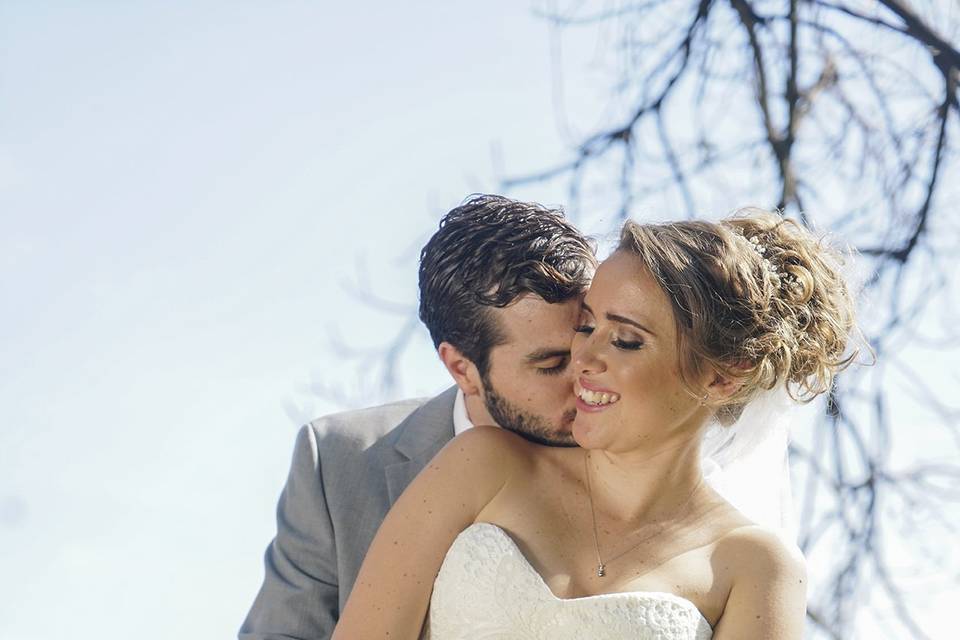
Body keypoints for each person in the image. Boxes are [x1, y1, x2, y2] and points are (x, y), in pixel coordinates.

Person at [332, 209, 859, 639]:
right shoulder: (481, 466)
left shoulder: (756, 567)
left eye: (626, 340)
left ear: (723, 378)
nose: (583, 357)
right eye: (587, 326)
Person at [239, 195, 597, 639]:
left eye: (594, 345)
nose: (586, 379)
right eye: (550, 365)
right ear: (462, 368)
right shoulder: (338, 463)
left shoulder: (646, 456)